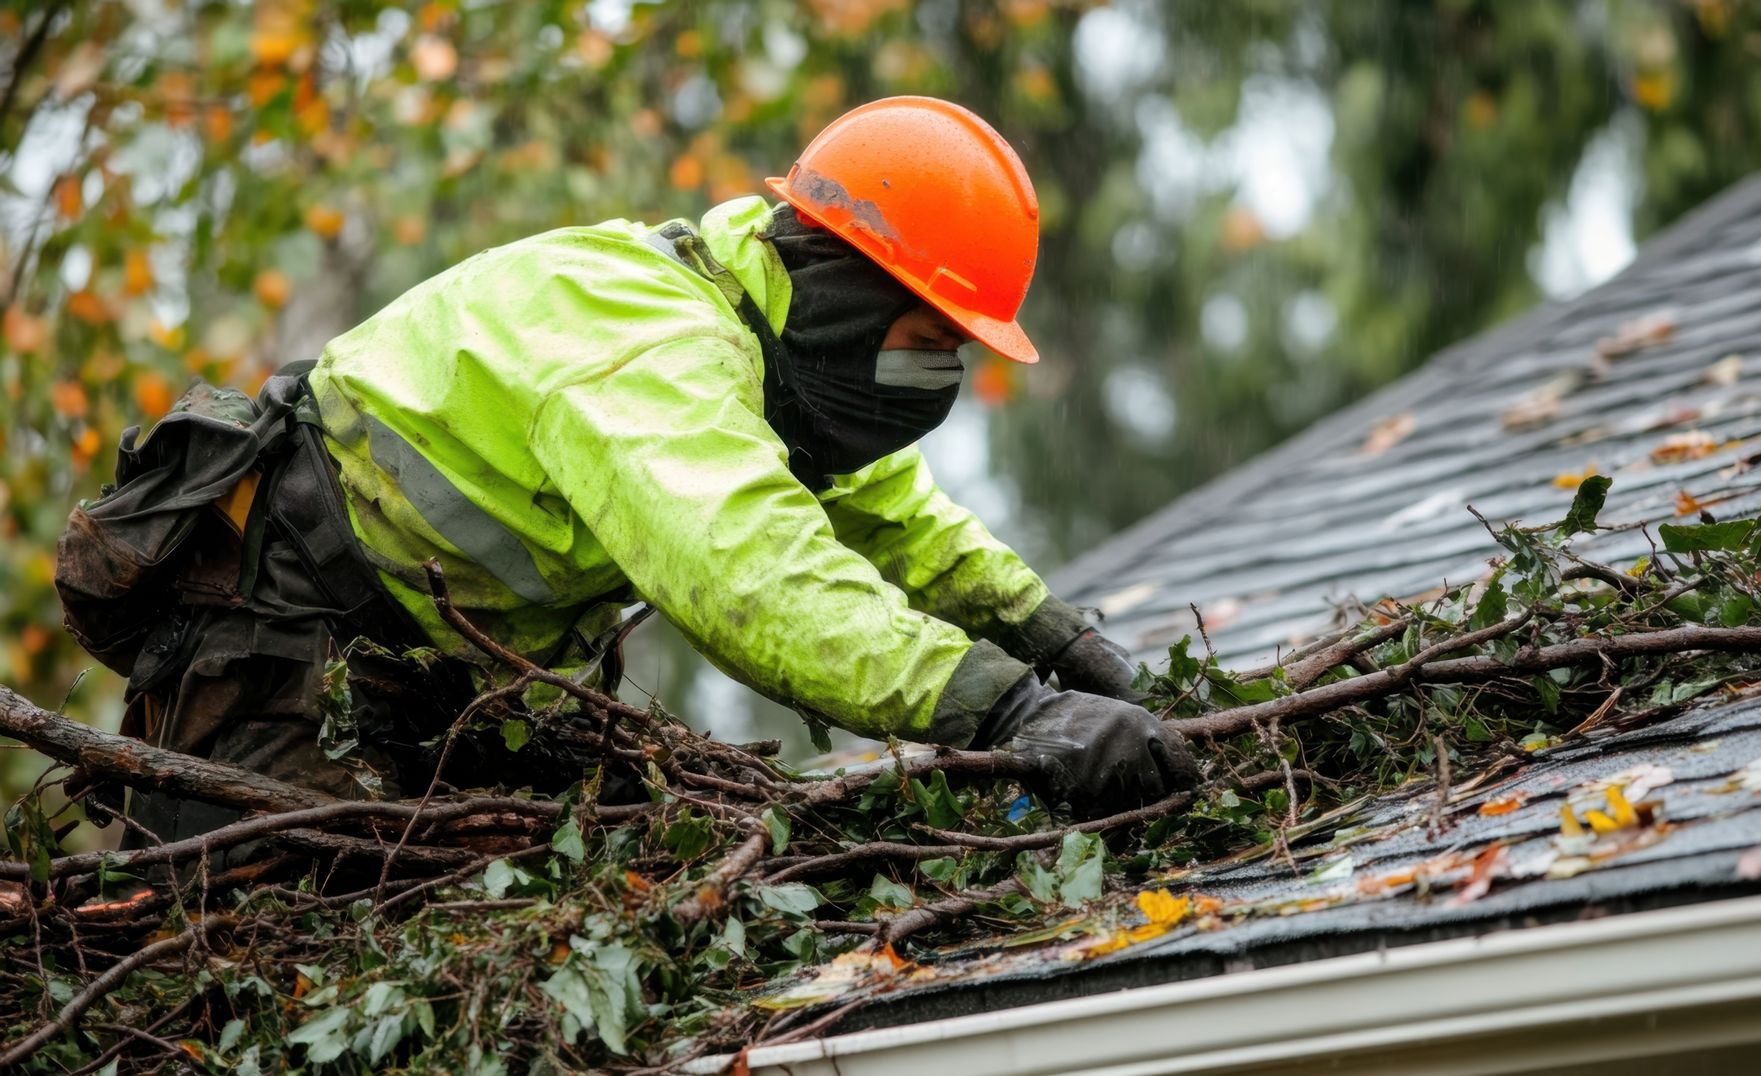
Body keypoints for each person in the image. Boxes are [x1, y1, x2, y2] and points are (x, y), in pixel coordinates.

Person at [56, 96, 1200, 848]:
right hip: (276, 642)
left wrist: (1063, 643)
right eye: (932, 341)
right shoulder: (658, 349)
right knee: (273, 939)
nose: (941, 377)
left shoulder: (765, 345)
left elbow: (892, 516)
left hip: (434, 672)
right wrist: (1010, 706)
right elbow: (753, 571)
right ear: (850, 293)